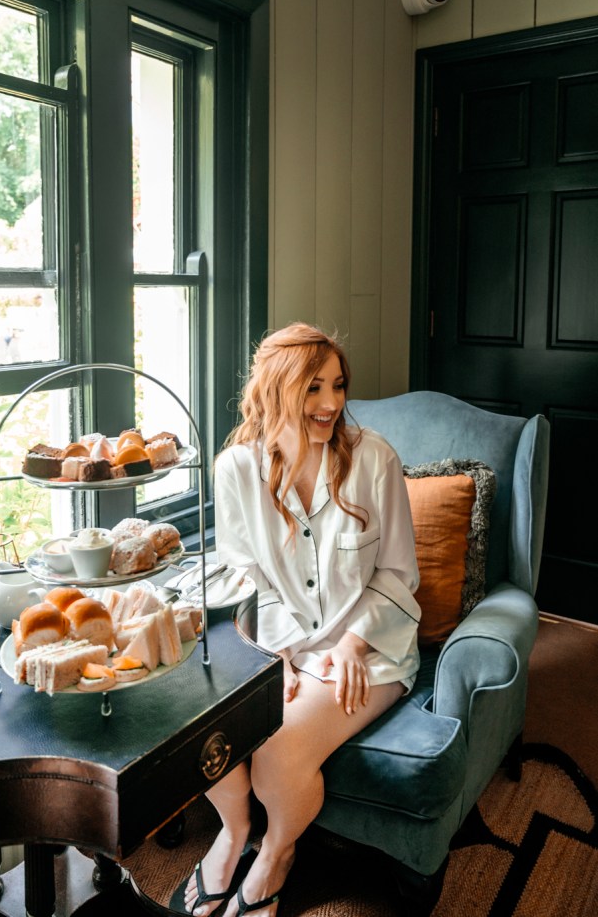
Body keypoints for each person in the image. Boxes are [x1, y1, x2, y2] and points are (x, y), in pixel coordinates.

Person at [176, 322, 421, 917]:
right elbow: (243, 574)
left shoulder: (375, 459)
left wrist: (353, 644)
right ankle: (233, 833)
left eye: (338, 386)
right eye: (314, 388)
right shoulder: (236, 469)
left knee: (278, 755)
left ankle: (277, 853)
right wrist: (275, 650)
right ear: (277, 389)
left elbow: (397, 574)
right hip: (278, 644)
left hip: (370, 649)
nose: (333, 403)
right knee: (201, 725)